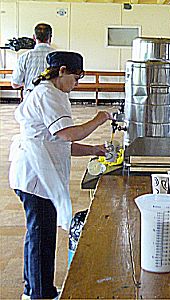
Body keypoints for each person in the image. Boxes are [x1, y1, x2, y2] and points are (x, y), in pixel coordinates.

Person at [9, 51, 112, 299]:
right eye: (75, 79)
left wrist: (94, 150)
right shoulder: (47, 94)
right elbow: (67, 135)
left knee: (39, 234)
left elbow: (61, 142)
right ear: (62, 71)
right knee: (40, 237)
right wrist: (98, 119)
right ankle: (39, 294)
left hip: (40, 172)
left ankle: (34, 289)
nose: (76, 85)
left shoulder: (55, 93)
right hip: (35, 176)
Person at [12, 23, 55, 97]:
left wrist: (28, 83)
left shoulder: (24, 57)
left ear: (34, 38)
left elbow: (15, 84)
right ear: (50, 37)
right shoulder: (57, 56)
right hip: (51, 99)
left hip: (30, 99)